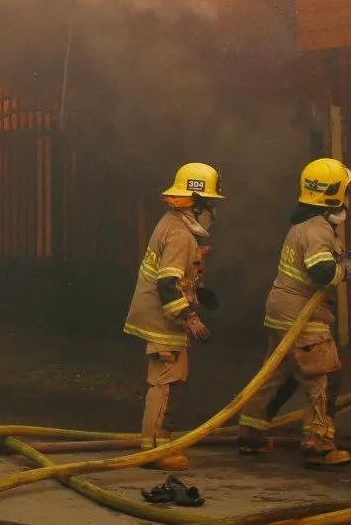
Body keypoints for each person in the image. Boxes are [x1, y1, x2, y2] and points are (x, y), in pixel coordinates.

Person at [236, 158, 351, 466]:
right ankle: (318, 446)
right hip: (302, 316)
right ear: (333, 194)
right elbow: (323, 273)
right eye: (346, 190)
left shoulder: (305, 226)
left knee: (278, 376)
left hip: (282, 310)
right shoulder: (318, 229)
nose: (348, 197)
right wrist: (349, 266)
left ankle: (251, 435)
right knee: (324, 376)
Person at [123, 162, 224, 472]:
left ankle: (155, 445)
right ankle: (156, 448)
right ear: (196, 204)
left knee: (167, 381)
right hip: (162, 319)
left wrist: (198, 288)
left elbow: (176, 273)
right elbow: (167, 283)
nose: (212, 211)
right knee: (168, 383)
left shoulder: (173, 223)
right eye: (209, 203)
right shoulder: (180, 233)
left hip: (158, 314)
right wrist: (190, 317)